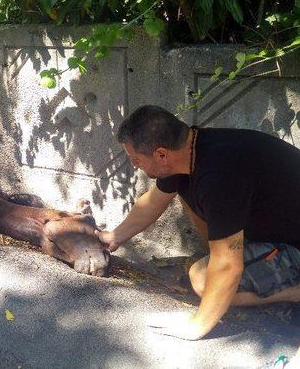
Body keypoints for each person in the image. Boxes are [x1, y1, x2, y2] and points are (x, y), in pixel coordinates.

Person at [96, 105, 300, 360]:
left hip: (294, 248)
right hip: (278, 236)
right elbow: (153, 202)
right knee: (183, 194)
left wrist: (196, 326)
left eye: (135, 159)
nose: (134, 165)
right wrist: (113, 237)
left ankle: (295, 291)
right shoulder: (190, 152)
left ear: (161, 154)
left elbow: (228, 266)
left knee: (203, 279)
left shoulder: (220, 174)